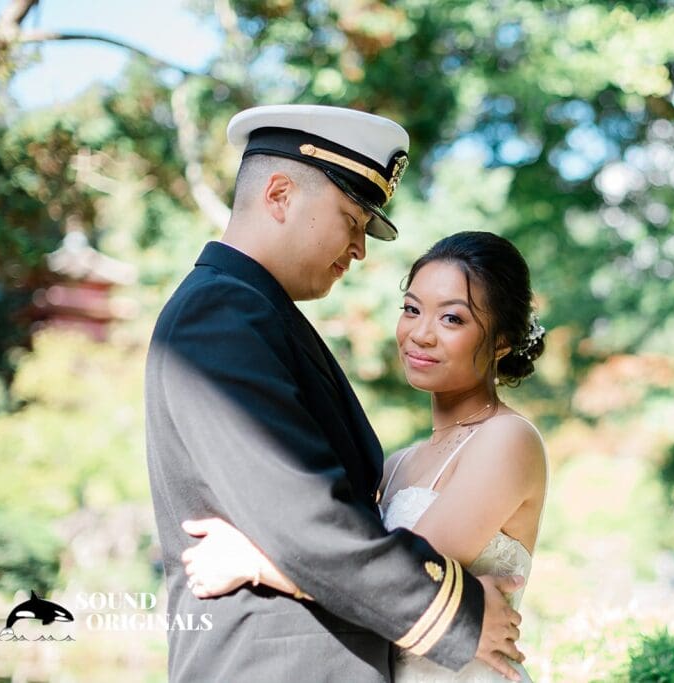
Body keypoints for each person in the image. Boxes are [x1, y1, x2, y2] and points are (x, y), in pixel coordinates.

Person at [145, 105, 525, 683]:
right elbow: (308, 524)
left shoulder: (258, 313)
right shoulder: (221, 314)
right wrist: (459, 613)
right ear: (279, 195)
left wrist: (257, 560)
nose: (360, 249)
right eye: (352, 219)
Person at [181, 231, 549, 682]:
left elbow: (400, 583)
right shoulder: (396, 464)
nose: (420, 334)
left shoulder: (508, 440)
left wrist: (258, 563)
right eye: (412, 310)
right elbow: (369, 572)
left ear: (501, 342)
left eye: (452, 319)